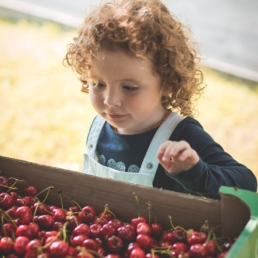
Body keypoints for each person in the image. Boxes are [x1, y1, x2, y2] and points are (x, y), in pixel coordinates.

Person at [64, 0, 257, 199]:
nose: (110, 100)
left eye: (129, 88)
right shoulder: (98, 128)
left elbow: (246, 184)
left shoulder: (182, 135)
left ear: (167, 84)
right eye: (98, 84)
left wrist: (194, 172)